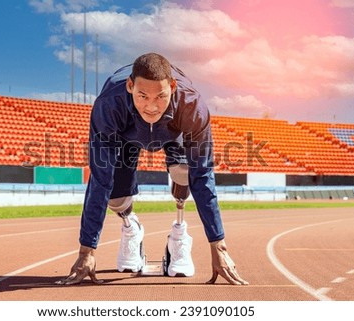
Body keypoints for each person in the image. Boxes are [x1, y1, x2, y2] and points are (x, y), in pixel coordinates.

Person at [57, 52, 248, 286]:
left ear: (173, 87)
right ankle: (131, 228)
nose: (151, 106)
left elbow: (203, 175)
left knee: (184, 173)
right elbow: (100, 178)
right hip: (127, 133)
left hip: (173, 130)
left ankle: (179, 235)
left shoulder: (191, 106)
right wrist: (86, 252)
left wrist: (219, 246)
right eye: (143, 95)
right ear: (129, 86)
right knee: (116, 199)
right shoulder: (108, 105)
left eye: (161, 96)